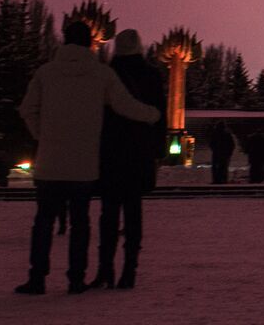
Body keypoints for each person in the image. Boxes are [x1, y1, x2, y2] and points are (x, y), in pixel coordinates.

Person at [15, 18, 160, 295]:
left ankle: (37, 278)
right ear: (89, 42)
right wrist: (152, 114)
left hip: (50, 162)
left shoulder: (46, 73)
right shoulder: (100, 74)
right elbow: (124, 105)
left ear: (64, 40)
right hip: (84, 163)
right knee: (80, 223)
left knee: (43, 220)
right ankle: (76, 279)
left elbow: (27, 109)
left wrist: (41, 136)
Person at [95, 29, 164, 289]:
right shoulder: (151, 75)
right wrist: (158, 150)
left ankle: (105, 268)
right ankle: (129, 271)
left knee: (108, 213)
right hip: (139, 153)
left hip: (110, 151)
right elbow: (160, 114)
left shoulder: (106, 73)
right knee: (134, 213)